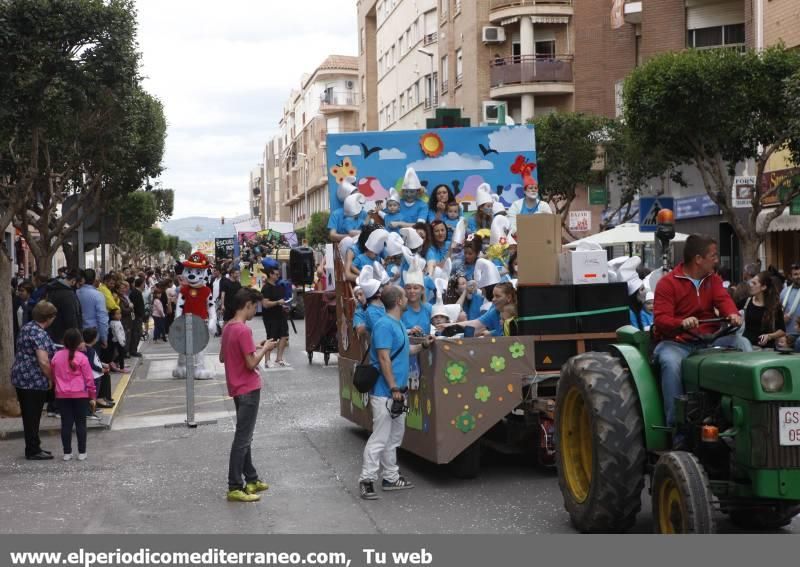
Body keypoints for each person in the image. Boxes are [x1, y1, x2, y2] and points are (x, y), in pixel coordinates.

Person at [653, 234, 747, 428]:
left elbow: (724, 301)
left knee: (741, 343)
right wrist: (681, 323)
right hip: (678, 342)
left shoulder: (713, 281)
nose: (716, 260)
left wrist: (732, 314)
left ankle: (745, 414)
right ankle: (676, 427)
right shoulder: (667, 284)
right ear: (698, 259)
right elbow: (661, 320)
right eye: (713, 256)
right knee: (670, 363)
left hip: (711, 340)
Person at [358, 285, 432, 500]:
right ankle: (367, 480)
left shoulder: (397, 323)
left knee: (394, 438)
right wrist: (393, 387)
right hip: (386, 392)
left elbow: (405, 350)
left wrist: (423, 346)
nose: (408, 298)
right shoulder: (384, 325)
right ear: (399, 301)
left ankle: (390, 477)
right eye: (404, 296)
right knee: (380, 438)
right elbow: (383, 358)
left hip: (396, 392)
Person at [219, 288, 277, 503]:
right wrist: (265, 349)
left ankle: (251, 478)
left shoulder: (228, 327)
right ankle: (234, 485)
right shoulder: (243, 330)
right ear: (248, 305)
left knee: (245, 436)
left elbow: (224, 357)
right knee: (242, 439)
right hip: (248, 388)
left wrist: (254, 347)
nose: (256, 311)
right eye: (255, 307)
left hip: (236, 387)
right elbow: (251, 363)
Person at [11, 301, 58, 460]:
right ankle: (33, 449)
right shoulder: (39, 333)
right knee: (33, 416)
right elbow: (43, 361)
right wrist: (52, 378)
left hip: (21, 377)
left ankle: (34, 445)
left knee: (29, 415)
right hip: (33, 380)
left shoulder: (27, 327)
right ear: (49, 318)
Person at [51, 328, 96, 461]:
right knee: (81, 423)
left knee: (66, 423)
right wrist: (92, 396)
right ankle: (82, 452)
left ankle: (67, 453)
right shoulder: (82, 358)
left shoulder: (56, 356)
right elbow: (89, 379)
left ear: (64, 341)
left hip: (62, 395)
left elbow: (54, 375)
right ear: (78, 342)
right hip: (80, 395)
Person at [438, 281, 515, 338]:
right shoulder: (494, 309)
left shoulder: (519, 312)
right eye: (493, 296)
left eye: (497, 296)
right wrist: (449, 325)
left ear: (508, 298)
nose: (493, 299)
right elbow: (476, 323)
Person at [742, 271, 785, 349]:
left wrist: (769, 336)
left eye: (754, 283)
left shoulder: (774, 306)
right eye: (751, 283)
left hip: (767, 350)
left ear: (763, 287)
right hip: (747, 348)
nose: (751, 285)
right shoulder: (746, 302)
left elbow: (782, 330)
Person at [260, 267, 291, 368]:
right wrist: (278, 302)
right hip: (270, 316)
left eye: (278, 274)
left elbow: (281, 301)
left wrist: (284, 306)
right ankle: (267, 360)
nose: (278, 276)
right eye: (276, 274)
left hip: (280, 314)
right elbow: (265, 304)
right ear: (271, 275)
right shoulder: (266, 288)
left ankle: (279, 358)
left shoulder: (279, 286)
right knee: (271, 337)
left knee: (284, 336)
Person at [45, 268, 82, 345]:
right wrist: (77, 338)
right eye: (79, 284)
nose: (79, 287)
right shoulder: (68, 294)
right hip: (64, 336)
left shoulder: (52, 288)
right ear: (73, 281)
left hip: (53, 332)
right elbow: (71, 318)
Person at [77, 269, 109, 355]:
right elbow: (102, 319)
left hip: (79, 333)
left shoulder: (76, 292)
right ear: (94, 279)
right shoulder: (98, 295)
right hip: (93, 336)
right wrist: (104, 338)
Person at [401, 268, 431, 337]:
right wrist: (409, 331)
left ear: (422, 290)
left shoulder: (428, 308)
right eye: (408, 288)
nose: (412, 291)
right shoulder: (401, 309)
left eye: (415, 288)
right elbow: (395, 330)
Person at [780, 264, 800, 344]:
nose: (799, 276)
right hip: (786, 335)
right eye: (796, 274)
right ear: (790, 276)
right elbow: (777, 312)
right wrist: (781, 318)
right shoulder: (784, 292)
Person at [128, 277, 146, 357]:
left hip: (137, 316)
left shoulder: (136, 292)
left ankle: (133, 349)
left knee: (137, 333)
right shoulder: (136, 293)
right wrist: (141, 315)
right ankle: (133, 350)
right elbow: (137, 306)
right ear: (141, 284)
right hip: (136, 317)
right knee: (136, 333)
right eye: (143, 283)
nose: (144, 285)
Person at [108, 309, 129, 373]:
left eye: (120, 313)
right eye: (117, 314)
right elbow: (118, 334)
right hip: (119, 341)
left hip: (116, 340)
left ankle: (117, 363)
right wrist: (122, 342)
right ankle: (121, 368)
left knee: (119, 353)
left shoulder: (113, 322)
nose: (119, 315)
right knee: (122, 353)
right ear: (112, 316)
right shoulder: (116, 323)